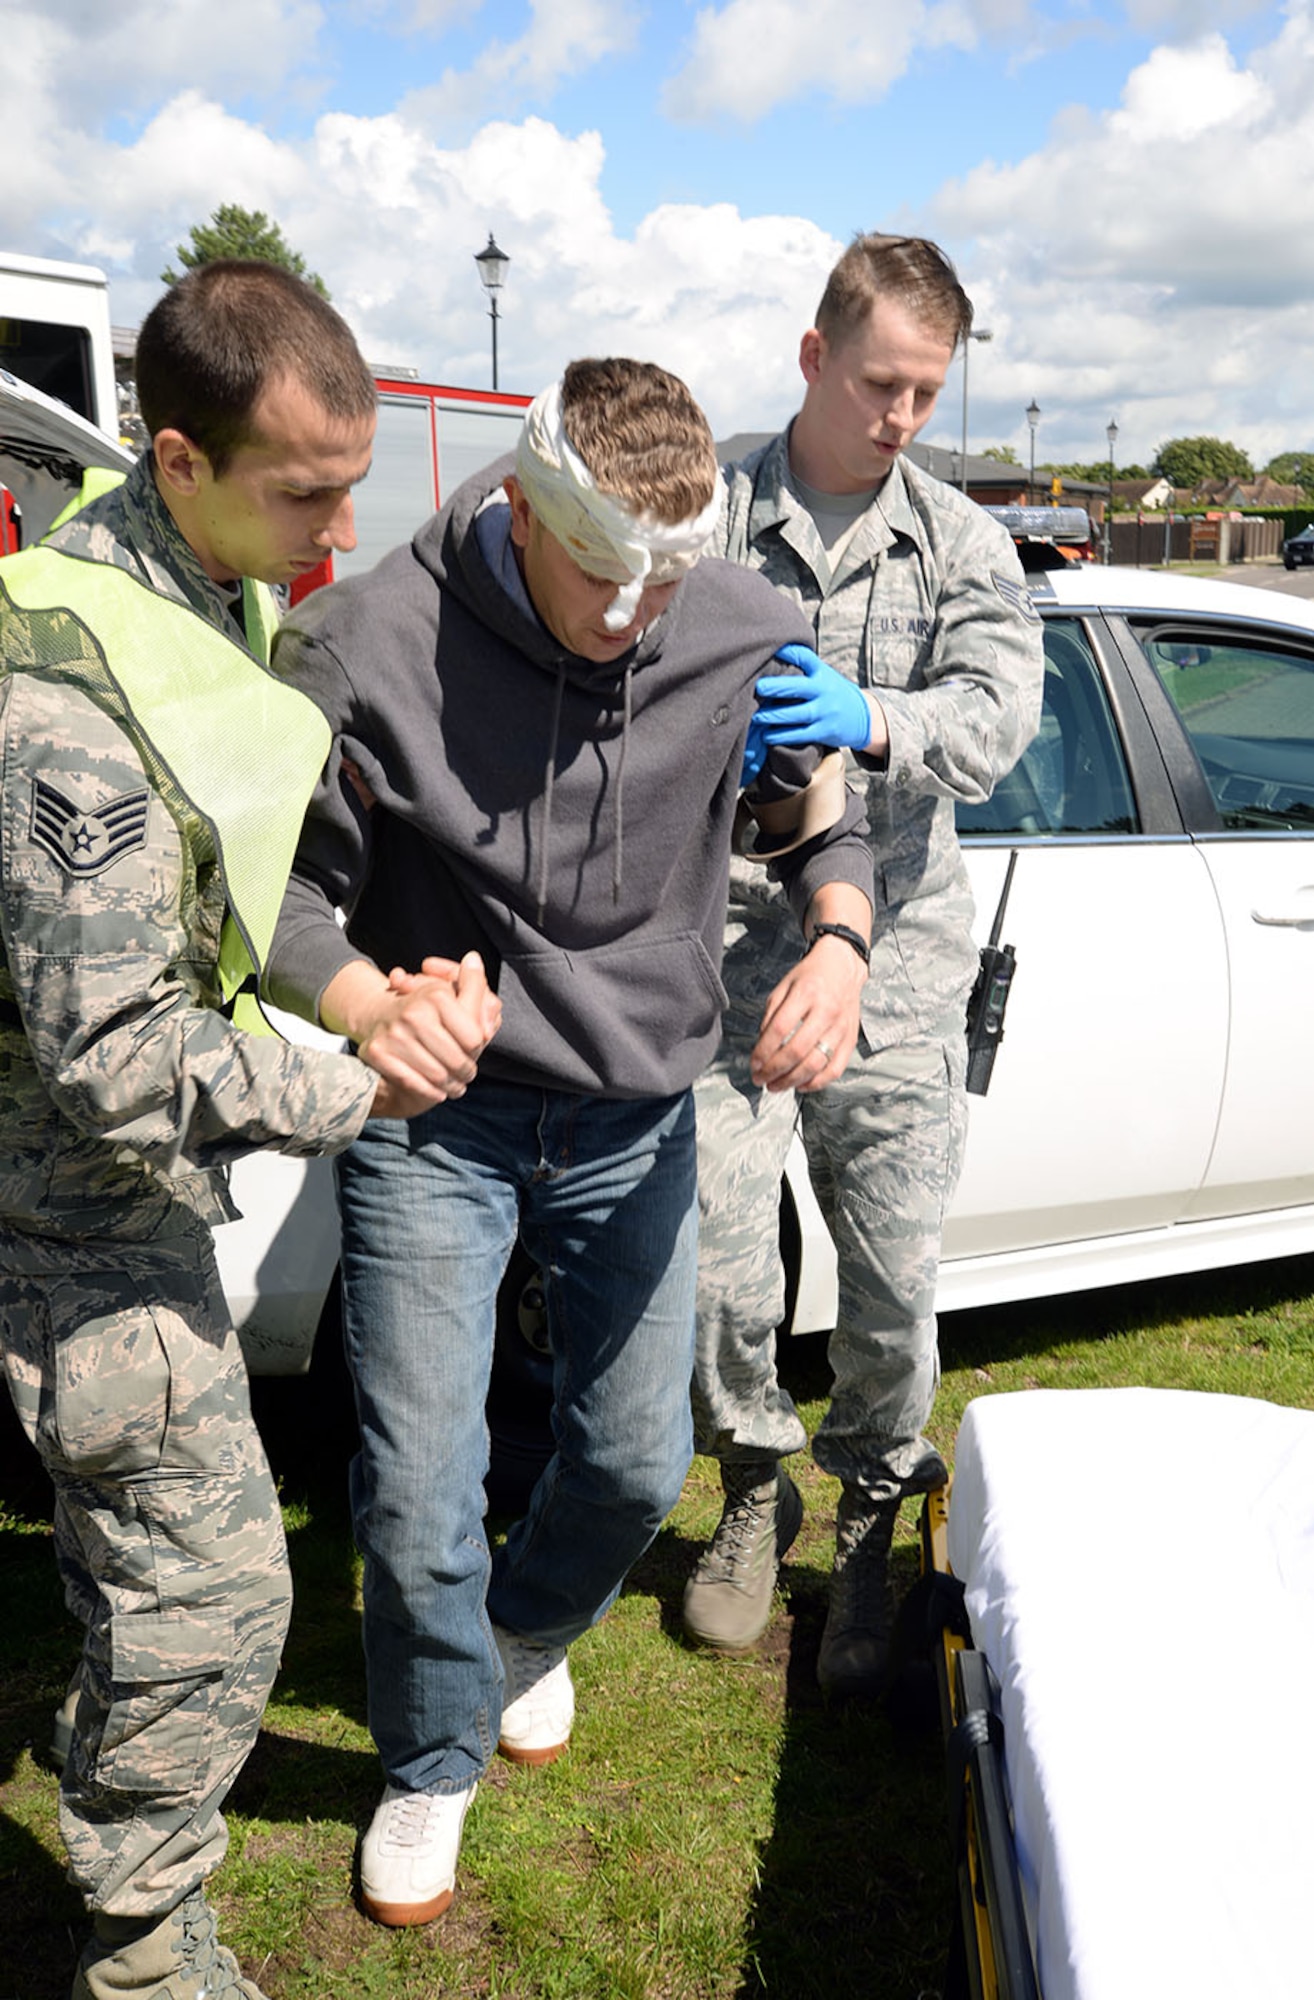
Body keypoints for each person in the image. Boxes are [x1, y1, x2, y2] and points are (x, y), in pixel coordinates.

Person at [261, 355, 875, 1930]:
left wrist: (838, 933)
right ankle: (432, 1751)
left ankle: (519, 1637)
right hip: (435, 1120)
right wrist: (358, 996)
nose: (631, 616)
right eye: (603, 569)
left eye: (665, 574)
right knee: (414, 1477)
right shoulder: (360, 643)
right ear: (523, 501)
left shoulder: (730, 618)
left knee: (625, 1459)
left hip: (633, 1110)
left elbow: (813, 810)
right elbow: (273, 889)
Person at [0, 260, 489, 2000]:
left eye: (352, 488)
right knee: (213, 1600)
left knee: (146, 1570)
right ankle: (143, 1957)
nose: (338, 531)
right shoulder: (67, 701)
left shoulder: (200, 592)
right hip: (66, 1214)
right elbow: (113, 1052)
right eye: (306, 493)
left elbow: (227, 892)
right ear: (176, 454)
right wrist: (366, 1083)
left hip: (109, 1205)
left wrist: (356, 995)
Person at [682, 234, 1045, 1696]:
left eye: (927, 392)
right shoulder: (699, 512)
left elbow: (996, 721)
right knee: (711, 1263)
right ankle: (752, 1485)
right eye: (881, 381)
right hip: (709, 952)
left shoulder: (961, 540)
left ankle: (876, 1521)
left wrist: (872, 716)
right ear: (812, 355)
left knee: (892, 1278)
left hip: (889, 956)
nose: (901, 416)